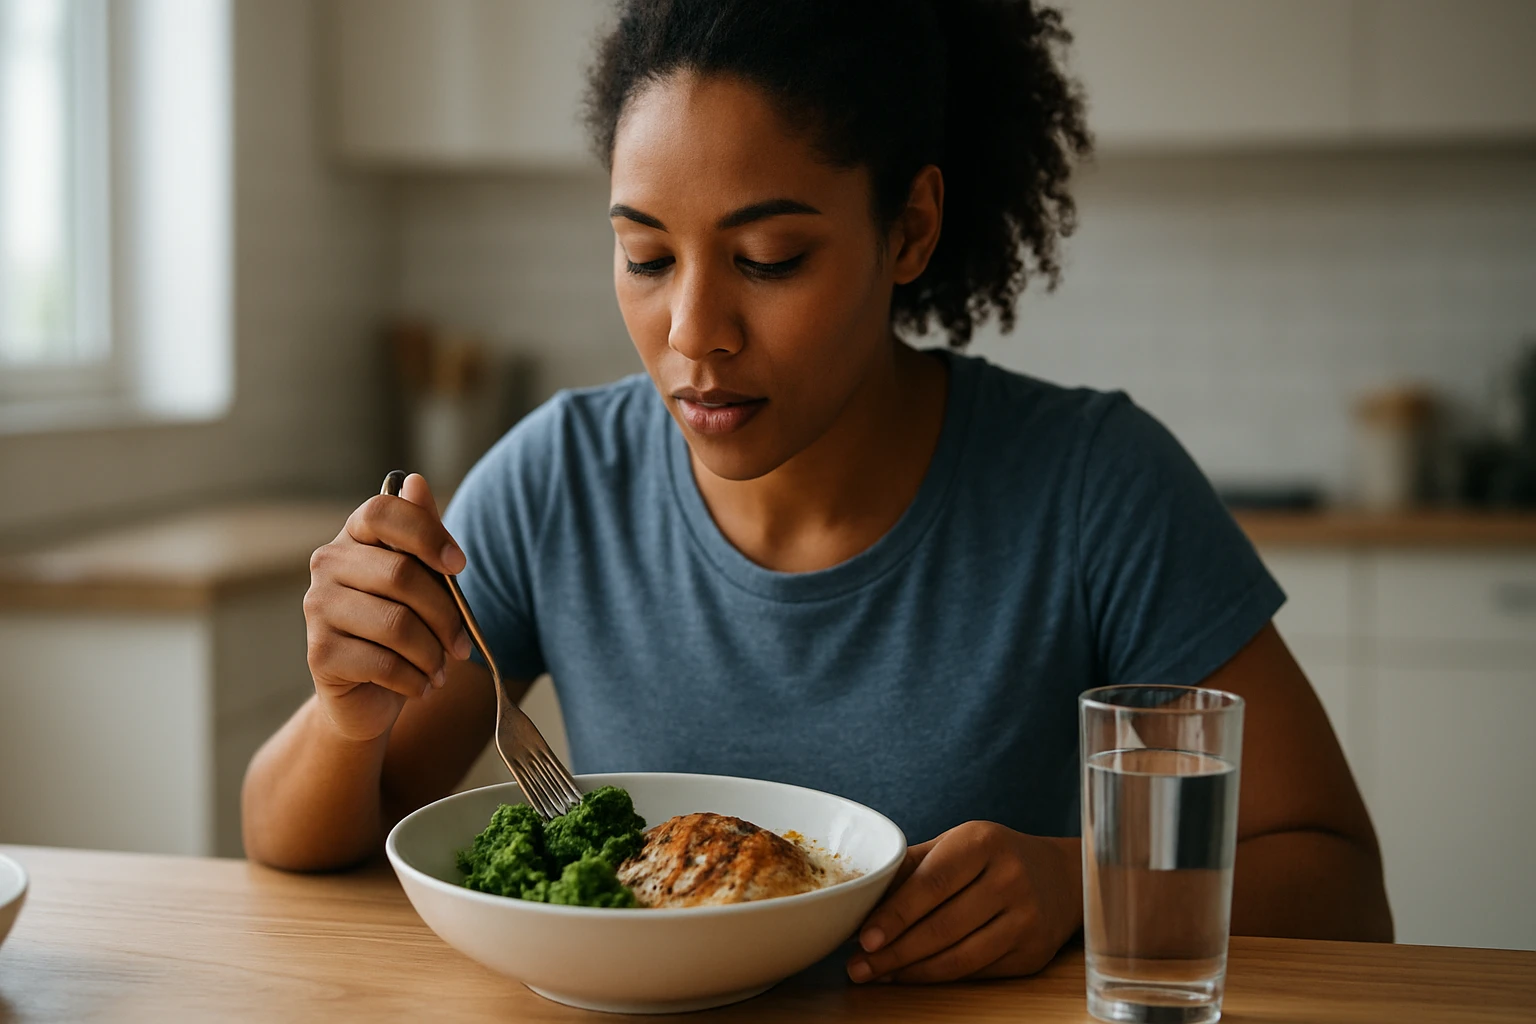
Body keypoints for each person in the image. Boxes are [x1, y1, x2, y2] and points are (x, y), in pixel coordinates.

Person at [243, 0, 1393, 985]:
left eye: (769, 259)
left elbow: (1340, 884)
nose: (694, 332)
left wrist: (1085, 881)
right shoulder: (559, 479)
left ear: (911, 228)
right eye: (647, 257)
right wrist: (350, 718)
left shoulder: (1093, 482)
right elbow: (295, 840)